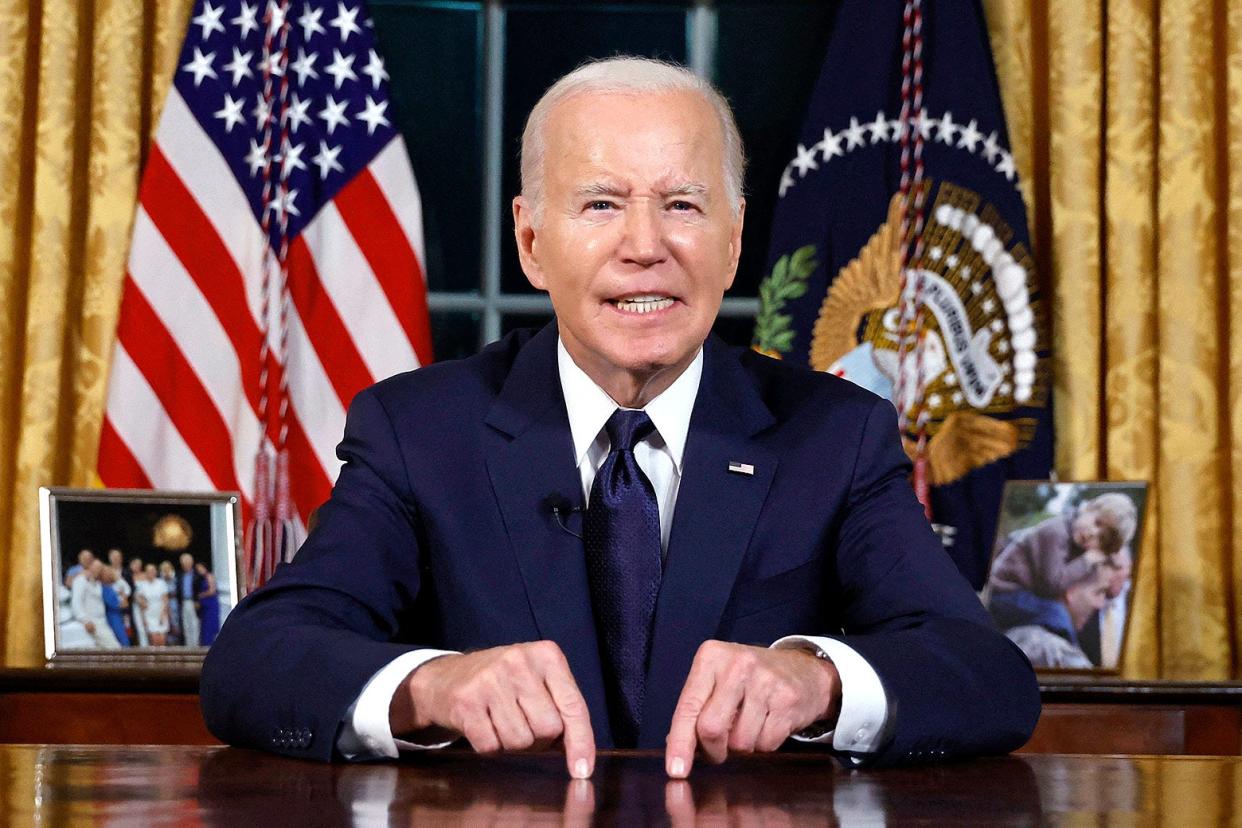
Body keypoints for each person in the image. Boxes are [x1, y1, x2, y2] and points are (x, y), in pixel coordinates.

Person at [201, 57, 1039, 775]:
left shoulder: (836, 434)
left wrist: (818, 676)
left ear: (735, 237)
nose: (646, 244)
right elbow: (255, 661)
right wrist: (429, 687)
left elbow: (986, 676)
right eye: (601, 204)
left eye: (683, 204)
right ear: (532, 243)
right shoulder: (420, 432)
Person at [70, 560, 121, 649]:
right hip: (92, 621)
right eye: (96, 567)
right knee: (115, 648)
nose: (98, 570)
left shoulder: (98, 583)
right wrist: (85, 620)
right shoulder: (81, 579)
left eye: (100, 568)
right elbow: (76, 602)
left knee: (101, 652)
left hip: (102, 621)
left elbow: (118, 585)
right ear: (90, 567)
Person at [135, 563, 171, 646]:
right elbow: (138, 598)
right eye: (148, 571)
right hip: (149, 614)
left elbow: (165, 600)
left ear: (155, 572)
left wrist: (163, 614)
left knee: (162, 639)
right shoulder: (142, 584)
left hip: (161, 612)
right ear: (146, 572)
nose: (151, 572)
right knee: (154, 639)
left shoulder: (161, 583)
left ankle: (163, 659)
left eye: (152, 570)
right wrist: (142, 604)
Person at [99, 564, 131, 647]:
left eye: (110, 572)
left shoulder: (112, 586)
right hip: (112, 617)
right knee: (121, 640)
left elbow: (127, 590)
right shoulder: (103, 588)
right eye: (107, 572)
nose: (110, 574)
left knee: (126, 637)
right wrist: (123, 599)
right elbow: (122, 604)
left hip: (120, 615)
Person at [177, 553, 204, 647]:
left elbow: (201, 589)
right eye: (184, 562)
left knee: (195, 624)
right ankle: (188, 646)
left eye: (187, 562)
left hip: (194, 602)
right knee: (186, 624)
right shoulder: (180, 575)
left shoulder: (197, 575)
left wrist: (198, 601)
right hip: (184, 602)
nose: (186, 564)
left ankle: (195, 646)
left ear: (191, 562)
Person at [195, 562, 221, 646]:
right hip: (205, 606)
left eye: (200, 568)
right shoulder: (201, 578)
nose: (199, 570)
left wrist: (202, 595)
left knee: (210, 625)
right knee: (205, 626)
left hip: (210, 604)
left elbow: (212, 590)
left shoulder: (209, 576)